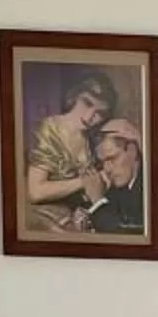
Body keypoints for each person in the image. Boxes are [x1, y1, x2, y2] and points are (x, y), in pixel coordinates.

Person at [25, 71, 119, 232]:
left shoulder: (93, 138)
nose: (90, 117)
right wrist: (84, 182)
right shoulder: (49, 129)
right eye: (87, 103)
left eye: (99, 113)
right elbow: (35, 192)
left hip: (79, 218)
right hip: (47, 220)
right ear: (75, 96)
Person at [83, 114, 146, 236]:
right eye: (102, 162)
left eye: (112, 158)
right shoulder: (115, 189)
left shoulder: (150, 187)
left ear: (132, 151)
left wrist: (97, 201)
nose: (107, 169)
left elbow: (125, 236)